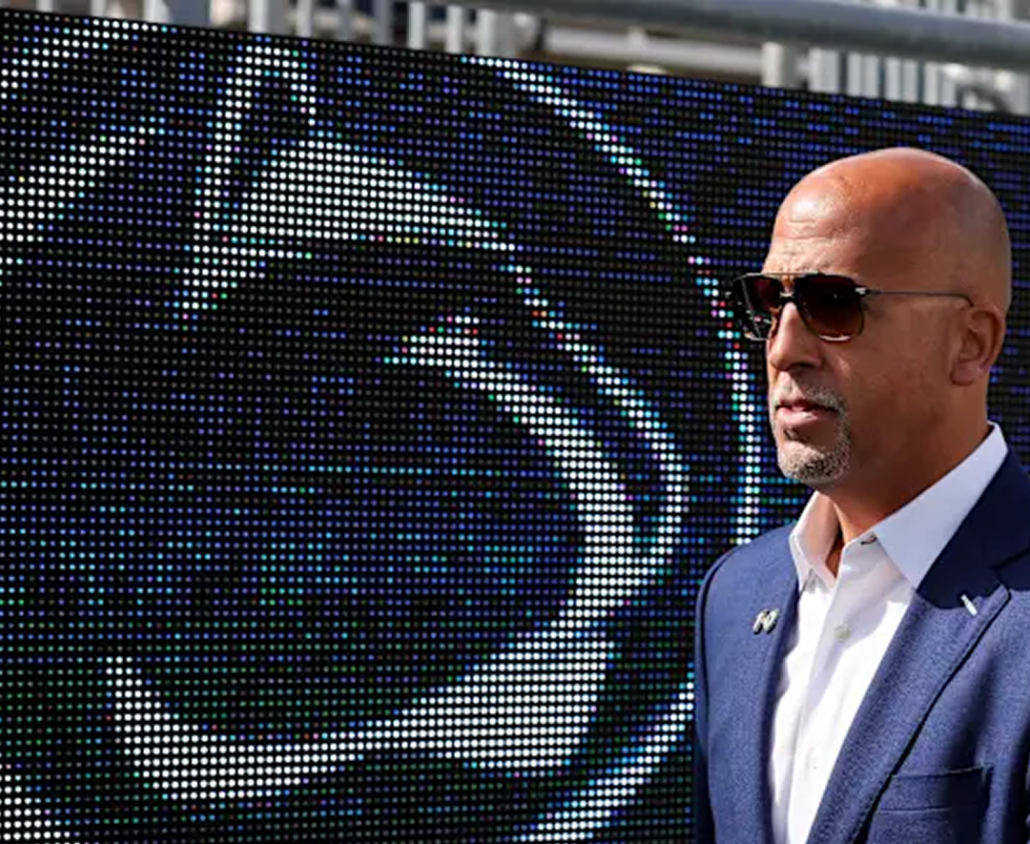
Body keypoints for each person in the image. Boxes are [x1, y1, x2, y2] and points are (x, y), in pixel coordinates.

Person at [692, 147, 1030, 844]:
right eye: (769, 303)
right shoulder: (734, 594)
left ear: (972, 343)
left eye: (833, 303)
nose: (783, 349)